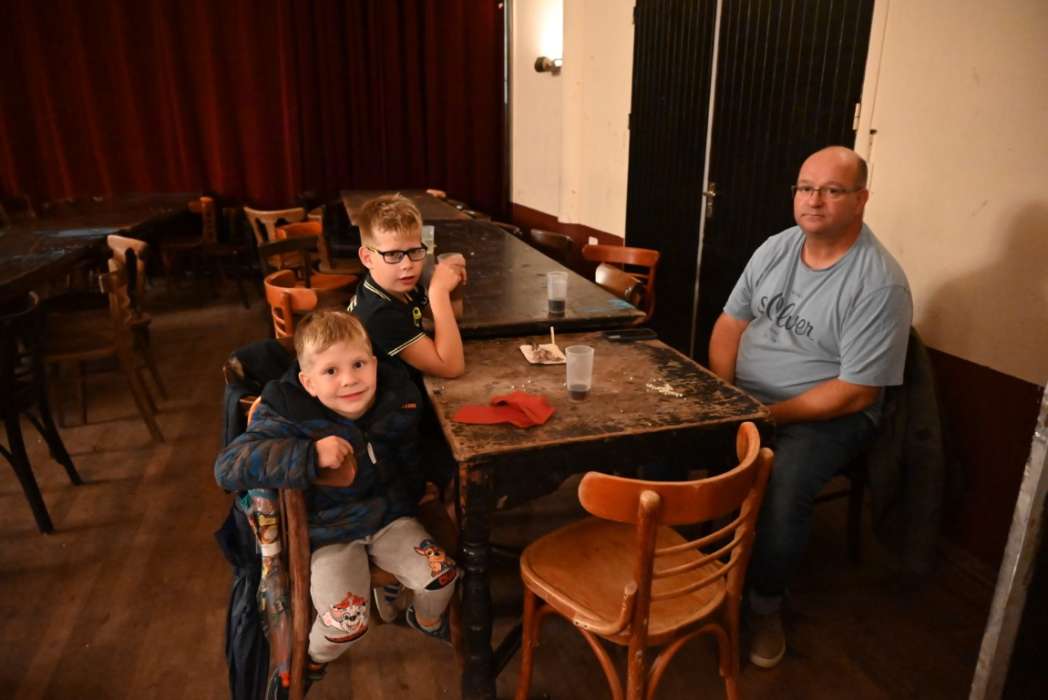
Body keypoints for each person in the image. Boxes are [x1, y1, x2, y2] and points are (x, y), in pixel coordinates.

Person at [708, 146, 912, 669]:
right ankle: (696, 563)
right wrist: (724, 399)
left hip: (829, 414)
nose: (813, 200)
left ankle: (765, 605)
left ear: (861, 199)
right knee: (668, 437)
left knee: (785, 483)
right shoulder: (776, 247)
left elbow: (857, 392)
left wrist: (766, 418)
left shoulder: (879, 282)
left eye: (832, 190)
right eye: (805, 187)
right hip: (749, 399)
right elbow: (730, 324)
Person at [215, 310, 458, 698]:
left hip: (390, 517)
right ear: (308, 382)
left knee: (443, 578)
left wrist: (424, 486)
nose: (349, 380)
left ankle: (424, 620)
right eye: (331, 371)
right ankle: (312, 659)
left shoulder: (397, 396)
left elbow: (410, 450)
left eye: (359, 364)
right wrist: (308, 454)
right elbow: (228, 467)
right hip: (328, 532)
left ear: (374, 364)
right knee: (347, 624)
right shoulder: (288, 410)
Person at [348, 194, 466, 379]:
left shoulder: (398, 286)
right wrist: (439, 291)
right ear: (367, 258)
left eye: (415, 251)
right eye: (393, 255)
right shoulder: (378, 314)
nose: (407, 265)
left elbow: (453, 314)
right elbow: (452, 368)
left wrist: (455, 281)